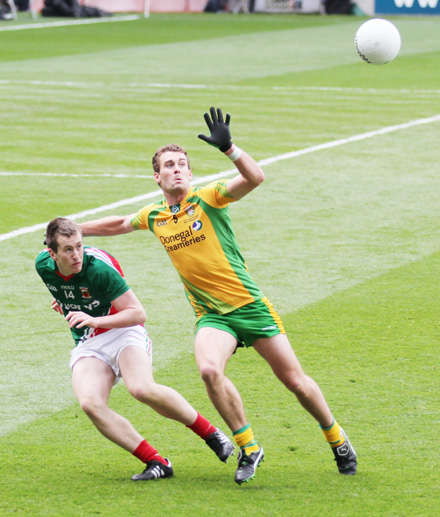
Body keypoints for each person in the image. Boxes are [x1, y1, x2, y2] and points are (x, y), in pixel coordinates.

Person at [79, 107, 357, 484]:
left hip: (250, 307)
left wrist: (231, 150)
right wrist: (73, 231)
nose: (177, 169)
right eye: (169, 165)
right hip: (213, 316)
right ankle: (249, 446)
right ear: (156, 176)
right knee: (209, 370)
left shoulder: (208, 197)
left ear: (190, 174)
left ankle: (335, 436)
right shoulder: (155, 215)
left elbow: (255, 178)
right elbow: (118, 223)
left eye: (182, 164)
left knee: (295, 381)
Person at [36, 217, 234, 481]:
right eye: (68, 250)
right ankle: (156, 461)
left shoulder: (99, 269)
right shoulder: (42, 265)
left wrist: (95, 318)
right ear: (52, 253)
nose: (76, 255)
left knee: (142, 388)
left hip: (124, 331)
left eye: (79, 246)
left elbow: (137, 313)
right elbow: (65, 286)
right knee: (90, 403)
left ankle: (211, 434)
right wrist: (64, 298)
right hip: (90, 341)